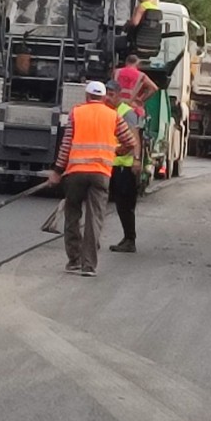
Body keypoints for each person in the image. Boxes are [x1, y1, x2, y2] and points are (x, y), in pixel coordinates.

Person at [47, 80, 136, 277]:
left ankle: (74, 260)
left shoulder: (76, 113)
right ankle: (89, 266)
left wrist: (57, 171)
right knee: (94, 218)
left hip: (76, 173)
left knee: (73, 214)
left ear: (87, 97)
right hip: (101, 174)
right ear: (103, 98)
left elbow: (66, 145)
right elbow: (130, 141)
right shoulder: (113, 116)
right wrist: (115, 151)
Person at [105, 80, 142, 253]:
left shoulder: (126, 112)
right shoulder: (108, 111)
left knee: (125, 205)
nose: (107, 97)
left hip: (124, 166)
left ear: (119, 95)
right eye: (106, 94)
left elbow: (134, 137)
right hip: (112, 164)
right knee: (118, 204)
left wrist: (136, 159)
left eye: (111, 94)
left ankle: (130, 239)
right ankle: (127, 239)